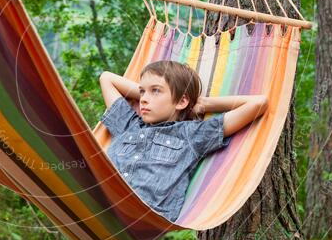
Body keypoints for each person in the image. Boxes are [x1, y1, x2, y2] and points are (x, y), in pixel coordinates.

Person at [98, 60, 268, 222]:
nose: (143, 98)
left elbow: (258, 103)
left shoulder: (191, 134)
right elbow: (107, 78)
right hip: (97, 201)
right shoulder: (128, 124)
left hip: (142, 216)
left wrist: (204, 104)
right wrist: (153, 95)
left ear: (181, 101)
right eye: (142, 91)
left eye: (156, 90)